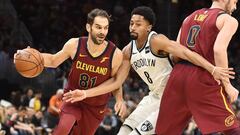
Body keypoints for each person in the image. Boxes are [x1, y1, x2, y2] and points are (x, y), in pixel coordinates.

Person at [63, 6, 234, 135]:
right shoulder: (127, 51)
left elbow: (185, 52)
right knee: (123, 132)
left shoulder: (157, 41)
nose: (133, 27)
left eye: (138, 24)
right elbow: (117, 80)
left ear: (148, 27)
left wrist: (212, 68)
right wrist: (119, 99)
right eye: (131, 23)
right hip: (153, 97)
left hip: (172, 97)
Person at [15, 9, 125, 135]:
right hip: (72, 98)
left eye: (106, 28)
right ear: (88, 27)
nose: (102, 32)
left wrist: (120, 99)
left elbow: (116, 80)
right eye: (98, 27)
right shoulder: (74, 44)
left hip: (95, 106)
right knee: (63, 128)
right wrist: (26, 56)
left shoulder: (115, 54)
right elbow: (53, 60)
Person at [156, 0, 240, 134]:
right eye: (234, 2)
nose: (235, 7)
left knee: (165, 132)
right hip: (203, 75)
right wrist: (227, 85)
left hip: (178, 75)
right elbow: (218, 49)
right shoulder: (228, 20)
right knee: (231, 128)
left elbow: (176, 52)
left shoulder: (189, 17)